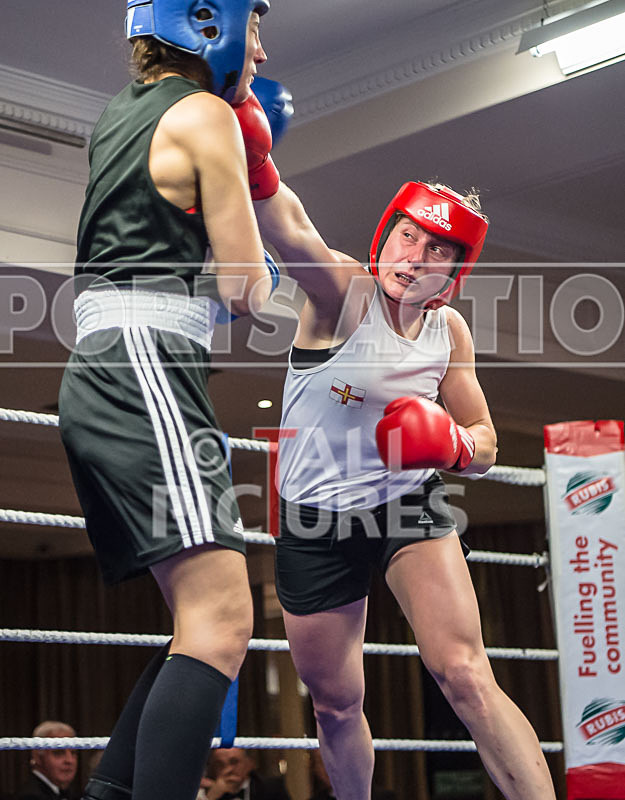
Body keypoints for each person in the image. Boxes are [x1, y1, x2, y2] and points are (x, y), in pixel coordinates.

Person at [250, 179, 557, 800]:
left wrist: (451, 444)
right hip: (314, 520)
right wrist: (253, 162)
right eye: (407, 235)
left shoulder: (450, 332)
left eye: (436, 248)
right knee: (335, 706)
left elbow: (486, 443)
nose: (413, 256)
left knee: (467, 675)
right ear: (385, 236)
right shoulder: (341, 290)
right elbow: (288, 228)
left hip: (404, 506)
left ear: (455, 269)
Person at [57, 2, 279, 800]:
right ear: (207, 24)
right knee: (224, 619)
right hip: (144, 367)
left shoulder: (120, 115)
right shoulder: (209, 114)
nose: (260, 49)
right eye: (253, 26)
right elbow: (244, 290)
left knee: (201, 622)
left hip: (113, 367)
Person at [16, 721, 77, 800]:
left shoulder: (68, 793)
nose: (69, 760)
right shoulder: (30, 797)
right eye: (58, 753)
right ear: (38, 756)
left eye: (73, 753)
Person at [199, 748, 291, 800]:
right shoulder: (205, 790)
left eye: (234, 762)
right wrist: (211, 797)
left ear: (249, 763)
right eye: (219, 764)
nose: (228, 769)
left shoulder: (270, 788)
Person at [307, 749, 396, 800]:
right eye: (322, 762)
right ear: (314, 769)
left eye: (333, 760)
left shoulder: (383, 797)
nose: (329, 768)